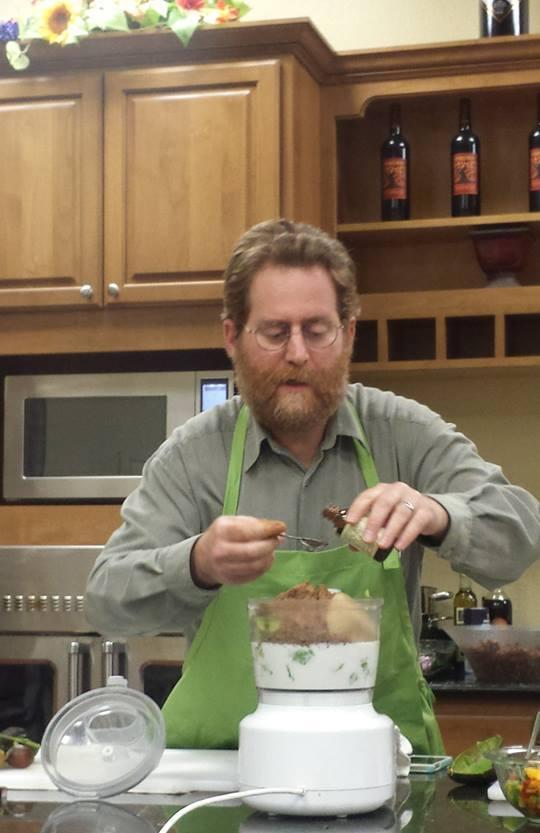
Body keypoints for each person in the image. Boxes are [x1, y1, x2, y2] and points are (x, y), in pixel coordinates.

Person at [85, 219, 540, 754]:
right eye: (274, 332)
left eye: (317, 330)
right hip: (226, 774)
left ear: (348, 332)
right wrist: (197, 563)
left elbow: (519, 532)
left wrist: (437, 512)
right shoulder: (193, 456)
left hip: (383, 768)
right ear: (233, 337)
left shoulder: (405, 432)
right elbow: (106, 599)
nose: (297, 353)